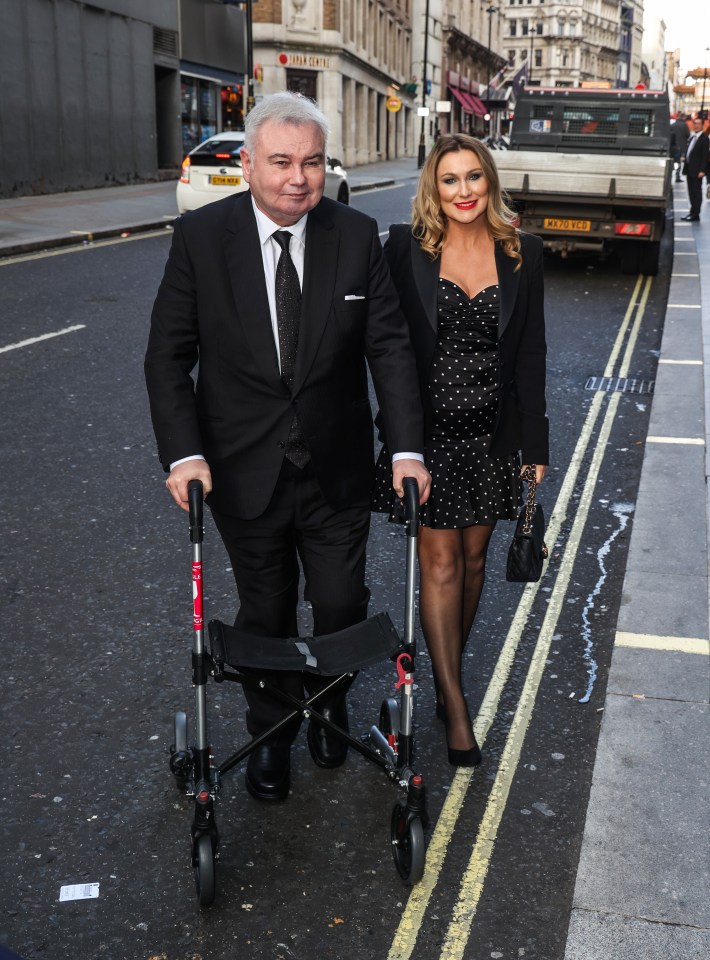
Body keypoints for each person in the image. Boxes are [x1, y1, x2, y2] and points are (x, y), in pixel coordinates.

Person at [145, 92, 431, 802]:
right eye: (280, 162)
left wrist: (404, 449)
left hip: (334, 468)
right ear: (248, 164)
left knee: (341, 605)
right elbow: (166, 358)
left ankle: (327, 710)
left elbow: (389, 349)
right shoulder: (202, 239)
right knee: (264, 611)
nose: (297, 177)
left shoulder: (356, 235)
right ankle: (272, 733)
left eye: (310, 162)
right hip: (242, 471)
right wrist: (184, 455)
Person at [372, 133, 548, 767]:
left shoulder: (522, 253)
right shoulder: (406, 251)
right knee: (441, 564)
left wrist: (537, 444)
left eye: (474, 178)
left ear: (490, 182)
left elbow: (531, 355)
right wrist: (398, 442)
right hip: (429, 438)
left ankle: (447, 678)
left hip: (493, 436)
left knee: (474, 562)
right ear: (433, 188)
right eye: (450, 180)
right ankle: (455, 704)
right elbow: (384, 344)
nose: (464, 191)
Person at [680, 116, 710, 222]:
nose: (696, 125)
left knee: (696, 192)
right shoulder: (693, 137)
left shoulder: (704, 138)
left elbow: (705, 155)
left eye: (698, 124)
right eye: (695, 123)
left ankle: (696, 214)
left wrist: (702, 170)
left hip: (697, 170)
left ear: (702, 125)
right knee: (691, 192)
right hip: (689, 168)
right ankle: (692, 212)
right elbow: (690, 150)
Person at [670, 114, 690, 183]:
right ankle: (677, 176)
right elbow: (688, 135)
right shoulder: (684, 125)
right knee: (679, 162)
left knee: (672, 161)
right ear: (683, 117)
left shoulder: (673, 124)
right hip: (682, 147)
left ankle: (669, 176)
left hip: (673, 146)